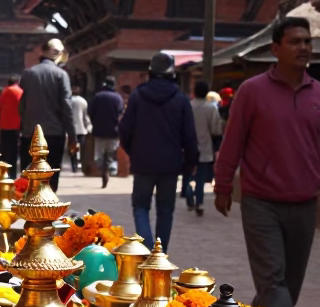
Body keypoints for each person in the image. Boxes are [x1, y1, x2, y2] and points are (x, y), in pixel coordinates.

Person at [214, 17, 320, 307]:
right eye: (294, 42)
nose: (303, 47)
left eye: (307, 42)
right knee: (272, 280)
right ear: (275, 48)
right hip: (262, 203)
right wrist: (223, 185)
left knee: (289, 284)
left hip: (304, 203)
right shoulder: (252, 91)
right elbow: (233, 142)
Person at [119, 53, 198, 251]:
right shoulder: (180, 98)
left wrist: (132, 151)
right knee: (165, 211)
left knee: (140, 207)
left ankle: (146, 248)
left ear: (150, 72)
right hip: (170, 163)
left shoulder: (138, 96)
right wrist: (192, 160)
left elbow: (125, 128)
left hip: (143, 161)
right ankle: (160, 254)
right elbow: (189, 134)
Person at [19, 39, 78, 190]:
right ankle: (48, 210)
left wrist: (23, 126)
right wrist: (72, 136)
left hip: (30, 133)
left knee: (29, 177)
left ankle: (27, 209)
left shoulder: (28, 74)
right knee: (50, 179)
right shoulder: (61, 75)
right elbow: (66, 107)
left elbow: (22, 105)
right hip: (53, 133)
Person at [186, 80, 223, 216]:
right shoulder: (211, 108)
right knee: (200, 179)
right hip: (205, 147)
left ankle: (189, 195)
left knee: (188, 176)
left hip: (188, 147)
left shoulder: (188, 106)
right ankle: (199, 202)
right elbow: (215, 129)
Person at [88, 76, 124, 188]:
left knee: (99, 155)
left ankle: (102, 169)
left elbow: (90, 111)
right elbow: (120, 113)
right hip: (113, 131)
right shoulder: (118, 98)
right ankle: (108, 168)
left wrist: (95, 122)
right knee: (111, 153)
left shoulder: (97, 97)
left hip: (99, 130)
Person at [0, 74, 23, 176]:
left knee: (5, 153)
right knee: (14, 154)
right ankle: (13, 175)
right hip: (16, 126)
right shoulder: (20, 92)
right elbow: (22, 109)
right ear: (17, 82)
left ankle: (4, 174)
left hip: (4, 127)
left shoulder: (4, 92)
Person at [69, 88, 91, 173]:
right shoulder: (83, 101)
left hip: (71, 129)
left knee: (72, 148)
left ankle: (73, 165)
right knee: (82, 148)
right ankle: (81, 164)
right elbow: (85, 116)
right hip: (81, 129)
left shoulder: (68, 101)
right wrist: (88, 126)